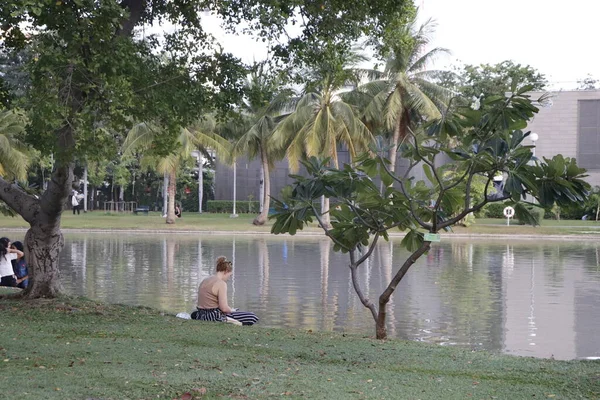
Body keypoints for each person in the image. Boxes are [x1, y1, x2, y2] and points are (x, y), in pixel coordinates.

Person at [192, 256, 258, 325]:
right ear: (226, 271)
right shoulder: (221, 283)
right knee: (252, 316)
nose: (229, 278)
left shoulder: (205, 280)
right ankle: (234, 322)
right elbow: (224, 308)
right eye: (229, 275)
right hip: (213, 316)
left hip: (200, 315)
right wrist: (231, 310)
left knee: (237, 312)